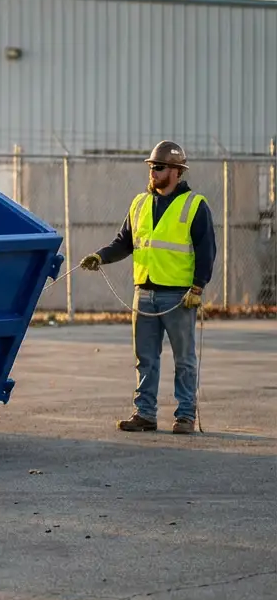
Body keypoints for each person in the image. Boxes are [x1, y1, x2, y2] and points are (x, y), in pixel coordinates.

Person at [80, 140, 215, 434]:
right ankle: (144, 414)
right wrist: (100, 257)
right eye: (152, 167)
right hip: (144, 294)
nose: (153, 172)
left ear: (177, 171)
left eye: (159, 167)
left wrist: (197, 288)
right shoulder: (139, 204)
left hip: (178, 296)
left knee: (184, 360)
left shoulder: (194, 205)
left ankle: (185, 416)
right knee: (145, 359)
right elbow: (124, 243)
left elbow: (206, 250)